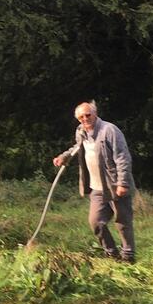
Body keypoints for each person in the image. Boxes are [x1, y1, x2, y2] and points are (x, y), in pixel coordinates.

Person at [53, 101, 136, 262]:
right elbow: (77, 147)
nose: (85, 118)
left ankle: (128, 256)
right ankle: (111, 253)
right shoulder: (81, 131)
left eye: (88, 115)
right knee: (96, 222)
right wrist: (64, 156)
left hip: (114, 184)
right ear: (78, 119)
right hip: (96, 187)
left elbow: (122, 157)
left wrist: (123, 183)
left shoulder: (109, 130)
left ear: (95, 113)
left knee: (123, 221)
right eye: (81, 117)